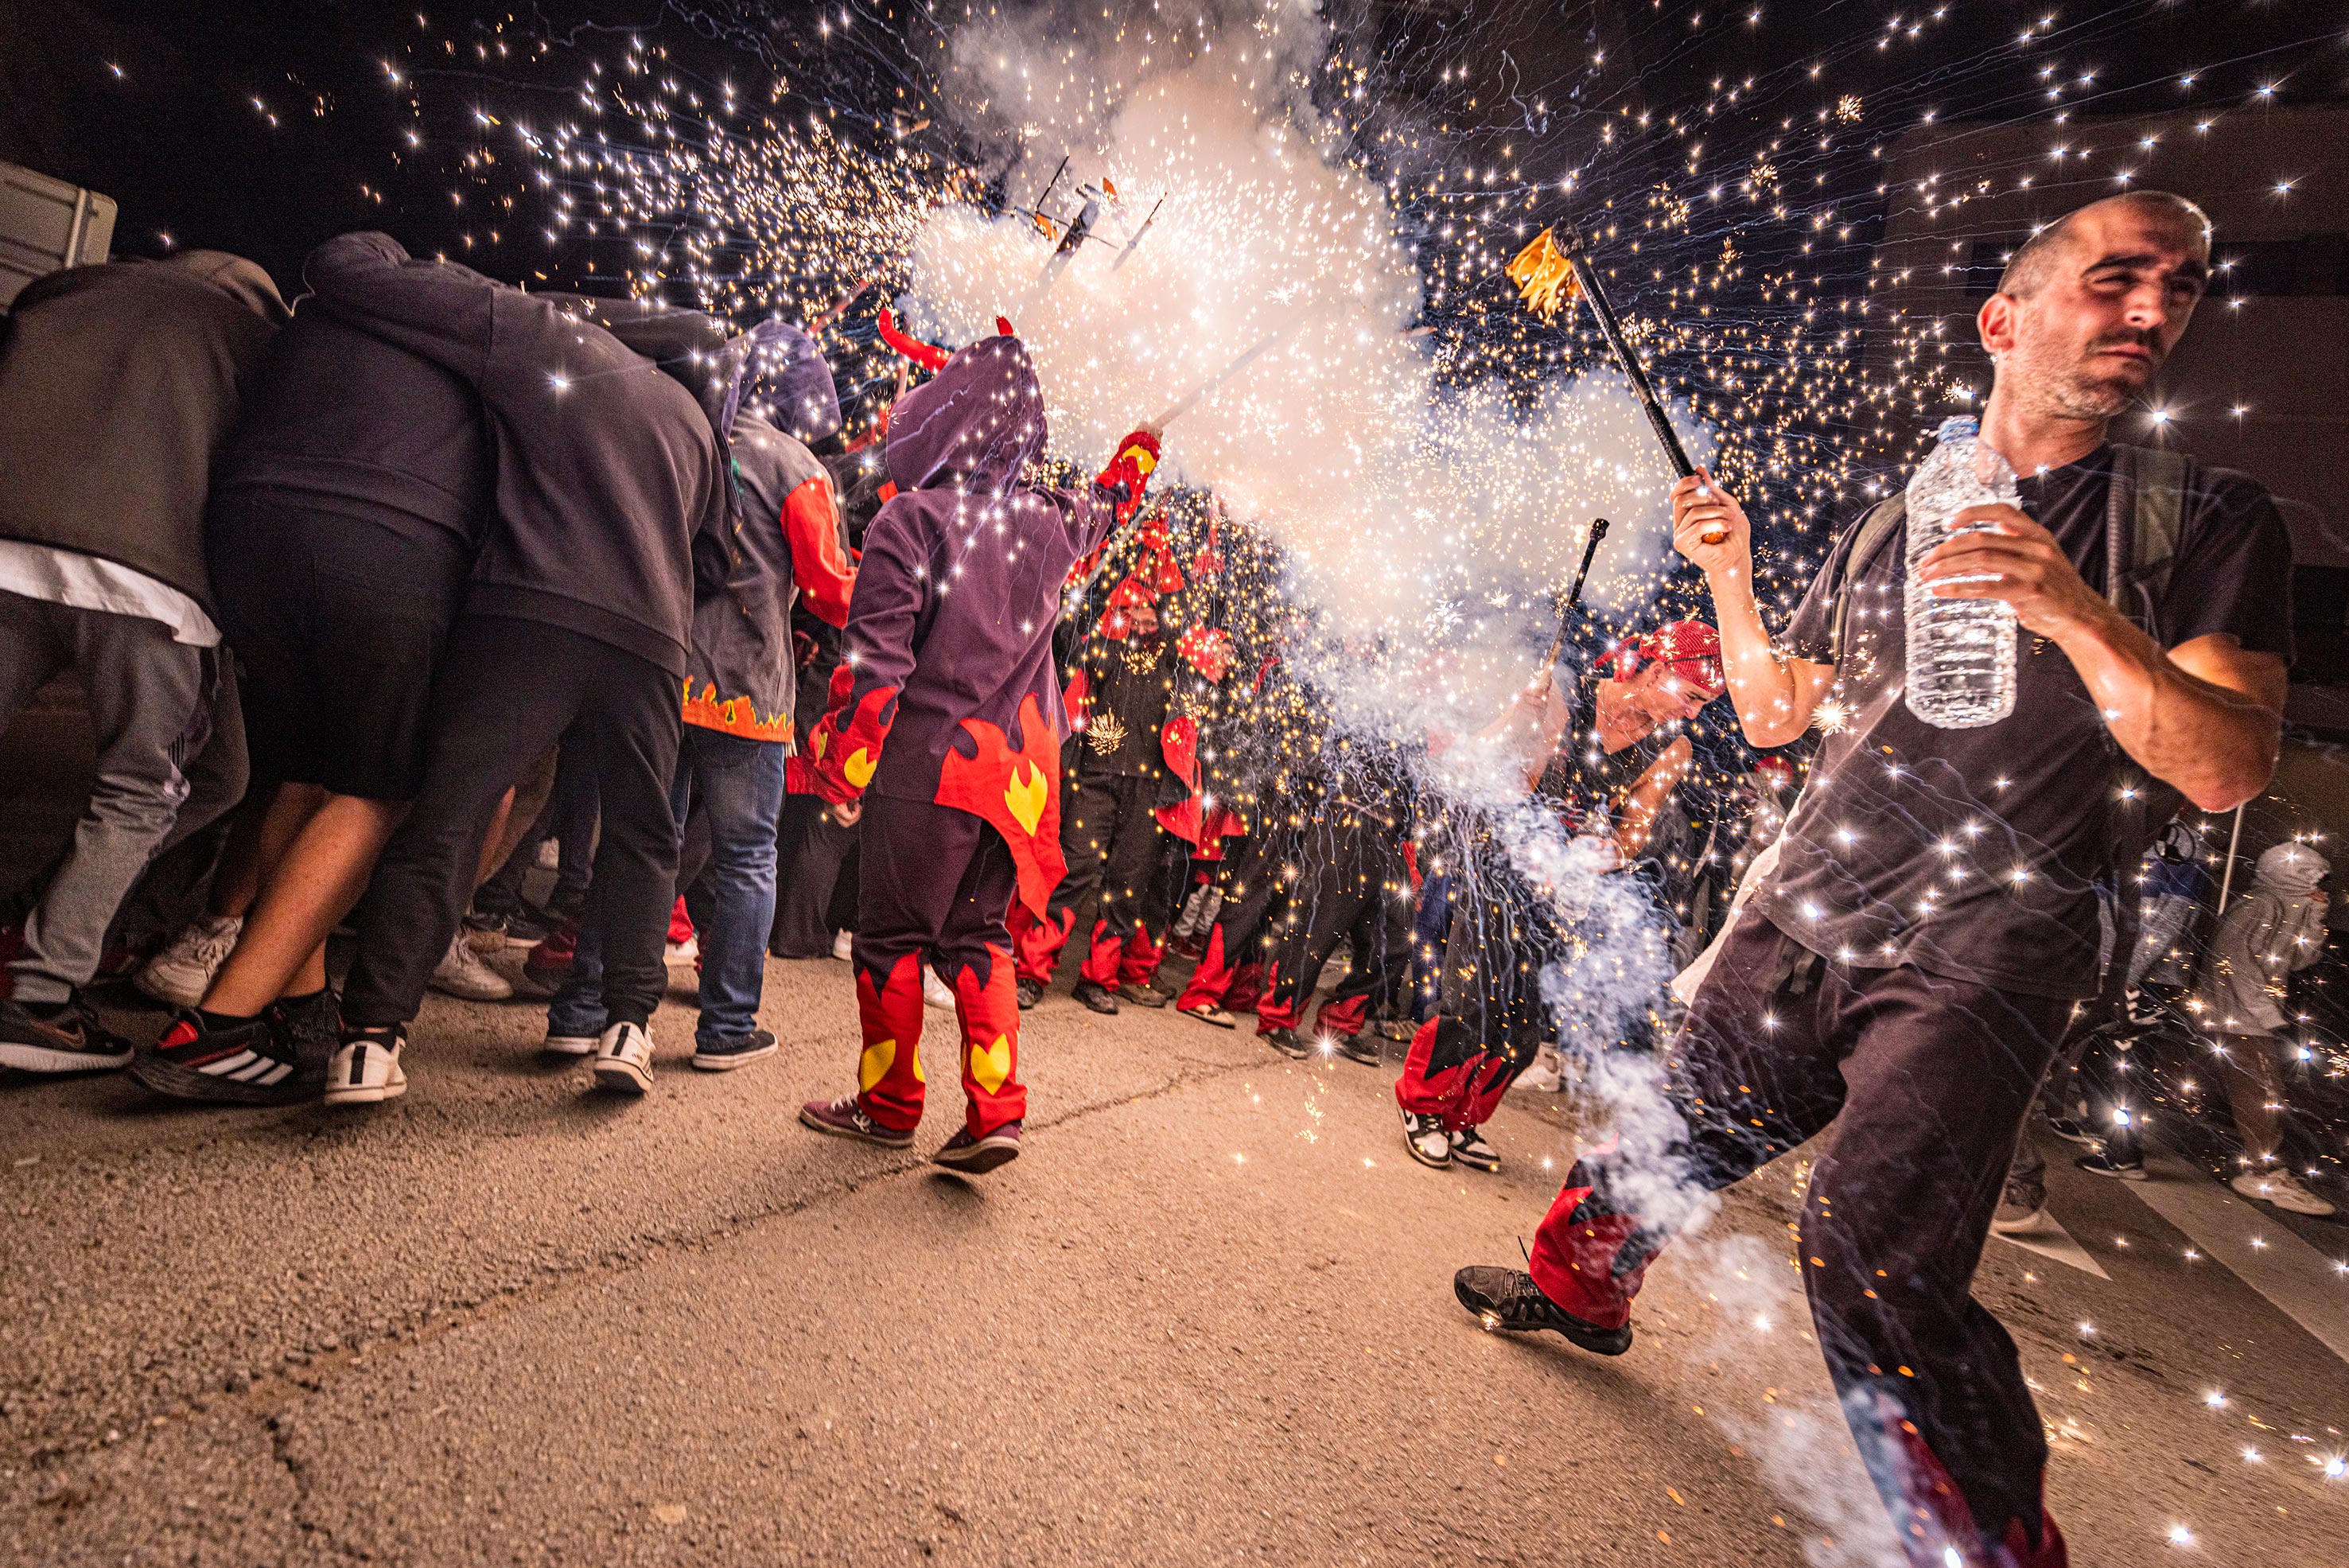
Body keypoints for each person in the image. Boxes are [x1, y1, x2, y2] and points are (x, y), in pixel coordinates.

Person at [1453, 192, 2292, 1568]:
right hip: (1811, 902)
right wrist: (1725, 576)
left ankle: (1980, 1545)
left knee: (1873, 1252)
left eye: (2179, 289)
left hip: (1991, 936)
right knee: (1671, 1129)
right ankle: (1578, 1289)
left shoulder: (2199, 518)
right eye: (2114, 280)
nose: (2151, 311)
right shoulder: (1902, 513)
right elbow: (1780, 708)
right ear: (2002, 321)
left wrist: (2073, 610)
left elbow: (2221, 767)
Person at [235, 233, 725, 1105]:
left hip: (526, 615)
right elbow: (716, 563)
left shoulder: (545, 338)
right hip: (650, 643)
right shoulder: (693, 423)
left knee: (448, 819)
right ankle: (628, 1028)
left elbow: (338, 266)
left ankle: (371, 1040)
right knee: (645, 837)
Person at [128, 245, 506, 1104]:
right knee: (376, 789)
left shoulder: (321, 320)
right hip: (385, 542)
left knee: (296, 773)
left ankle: (296, 1013)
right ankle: (215, 1031)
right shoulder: (471, 342)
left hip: (248, 528)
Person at [796, 324, 1158, 1173]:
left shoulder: (909, 520)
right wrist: (1139, 450)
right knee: (980, 938)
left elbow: (877, 669)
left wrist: (842, 765)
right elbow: (1112, 501)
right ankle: (997, 1112)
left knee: (889, 943)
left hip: (928, 771)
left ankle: (889, 1108)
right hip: (1020, 785)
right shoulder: (1052, 521)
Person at [544, 322, 858, 1083]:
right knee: (750, 856)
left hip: (658, 674)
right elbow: (832, 592)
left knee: (637, 843)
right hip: (747, 691)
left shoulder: (687, 434)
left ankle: (581, 1013)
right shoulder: (795, 466)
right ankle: (725, 1026)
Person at [0, 251, 284, 1075]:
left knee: (212, 776)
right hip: (151, 580)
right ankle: (40, 993)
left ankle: (36, 916)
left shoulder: (70, 292)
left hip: (10, 542)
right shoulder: (256, 343)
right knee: (145, 788)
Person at [1395, 623, 1720, 1170]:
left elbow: (1629, 834)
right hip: (1505, 859)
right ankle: (1423, 1105)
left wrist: (1597, 855)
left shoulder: (1673, 747)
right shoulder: (1565, 700)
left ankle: (1463, 1117)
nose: (1692, 714)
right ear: (1660, 669)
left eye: (1704, 704)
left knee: (1525, 1017)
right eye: (1691, 697)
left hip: (1566, 886)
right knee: (1473, 999)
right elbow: (1513, 786)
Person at [1013, 581, 1180, 1014]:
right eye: (1133, 608)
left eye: (1150, 610)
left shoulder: (1177, 658)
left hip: (1148, 788)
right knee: (1073, 873)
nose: (1142, 617)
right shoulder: (1104, 647)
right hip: (1096, 777)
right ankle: (1031, 972)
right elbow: (1072, 639)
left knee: (1126, 887)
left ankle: (1097, 979)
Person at [2184, 841, 2335, 1216]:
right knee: (2261, 1092)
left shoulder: (2288, 906)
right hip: (2239, 1013)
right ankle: (2264, 1173)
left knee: (2258, 1089)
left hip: (2252, 1014)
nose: (2322, 886)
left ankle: (2264, 1167)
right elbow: (2232, 961)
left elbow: (2299, 960)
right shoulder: (2260, 905)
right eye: (2314, 878)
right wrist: (2267, 1016)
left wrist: (2315, 917)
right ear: (2292, 875)